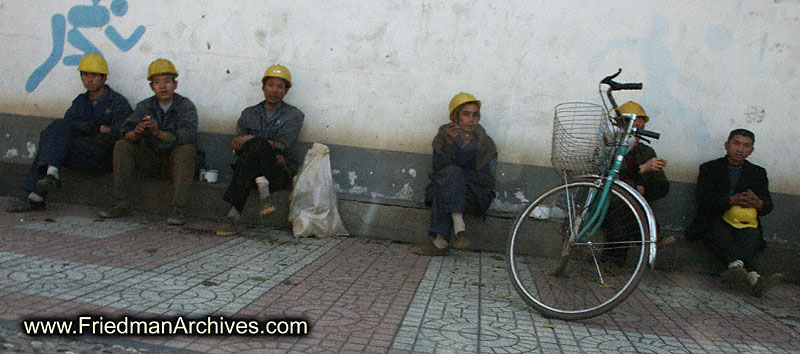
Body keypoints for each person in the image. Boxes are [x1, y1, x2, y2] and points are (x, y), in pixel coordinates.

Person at [7, 53, 132, 213]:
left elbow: (120, 132)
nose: (89, 79)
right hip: (79, 151)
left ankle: (39, 191)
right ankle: (50, 174)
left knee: (54, 141)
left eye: (94, 75)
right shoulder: (81, 101)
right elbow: (67, 126)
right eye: (85, 74)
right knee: (55, 132)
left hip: (102, 156)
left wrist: (87, 128)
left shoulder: (117, 103)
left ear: (104, 78)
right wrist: (95, 127)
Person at [99, 58, 198, 225]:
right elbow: (124, 133)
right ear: (152, 87)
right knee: (122, 145)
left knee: (186, 150)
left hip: (175, 163)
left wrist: (158, 133)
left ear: (175, 85)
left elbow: (187, 137)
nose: (163, 87)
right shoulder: (145, 106)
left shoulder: (185, 106)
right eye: (157, 83)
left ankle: (179, 208)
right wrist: (137, 132)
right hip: (151, 160)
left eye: (167, 82)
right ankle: (121, 203)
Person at [686, 129, 782, 297]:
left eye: (746, 146)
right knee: (716, 230)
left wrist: (758, 203)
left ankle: (735, 267)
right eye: (736, 143)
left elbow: (768, 205)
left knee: (752, 234)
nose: (740, 149)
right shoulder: (710, 168)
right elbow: (703, 199)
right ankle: (753, 276)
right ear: (726, 145)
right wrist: (731, 200)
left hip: (745, 222)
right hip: (715, 219)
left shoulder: (758, 173)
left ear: (751, 150)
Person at [216, 64, 304, 236]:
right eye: (271, 85)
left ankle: (233, 216)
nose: (274, 90)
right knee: (252, 156)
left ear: (286, 91)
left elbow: (283, 145)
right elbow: (236, 145)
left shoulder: (294, 115)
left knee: (255, 148)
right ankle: (263, 193)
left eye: (280, 87)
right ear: (263, 87)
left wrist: (251, 140)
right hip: (250, 169)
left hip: (278, 171)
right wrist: (262, 143)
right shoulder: (249, 113)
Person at [414, 92, 497, 256]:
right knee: (448, 178)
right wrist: (450, 144)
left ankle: (440, 243)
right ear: (455, 117)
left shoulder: (485, 143)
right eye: (466, 114)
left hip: (474, 194)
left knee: (450, 180)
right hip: (449, 188)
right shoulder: (444, 136)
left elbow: (485, 178)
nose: (471, 119)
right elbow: (438, 167)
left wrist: (460, 180)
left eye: (475, 115)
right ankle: (459, 231)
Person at [601, 101, 672, 265]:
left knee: (626, 211)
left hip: (631, 206)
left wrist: (645, 188)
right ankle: (649, 238)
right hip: (608, 203)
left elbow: (662, 186)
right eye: (634, 128)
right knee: (622, 207)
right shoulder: (609, 148)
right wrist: (641, 171)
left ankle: (612, 263)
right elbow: (609, 176)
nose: (639, 134)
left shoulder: (646, 152)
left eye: (641, 128)